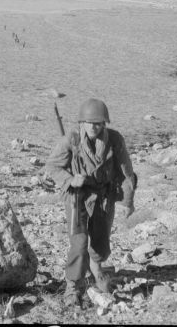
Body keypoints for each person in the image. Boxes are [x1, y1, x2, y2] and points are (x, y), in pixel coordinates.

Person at [46, 99, 136, 307]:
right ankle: (73, 285)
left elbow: (127, 174)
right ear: (82, 122)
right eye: (89, 122)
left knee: (101, 245)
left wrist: (128, 202)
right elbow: (51, 166)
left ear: (105, 123)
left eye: (98, 122)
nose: (94, 126)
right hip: (77, 198)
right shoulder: (72, 138)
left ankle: (96, 269)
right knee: (78, 244)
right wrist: (70, 180)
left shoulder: (114, 140)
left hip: (104, 198)